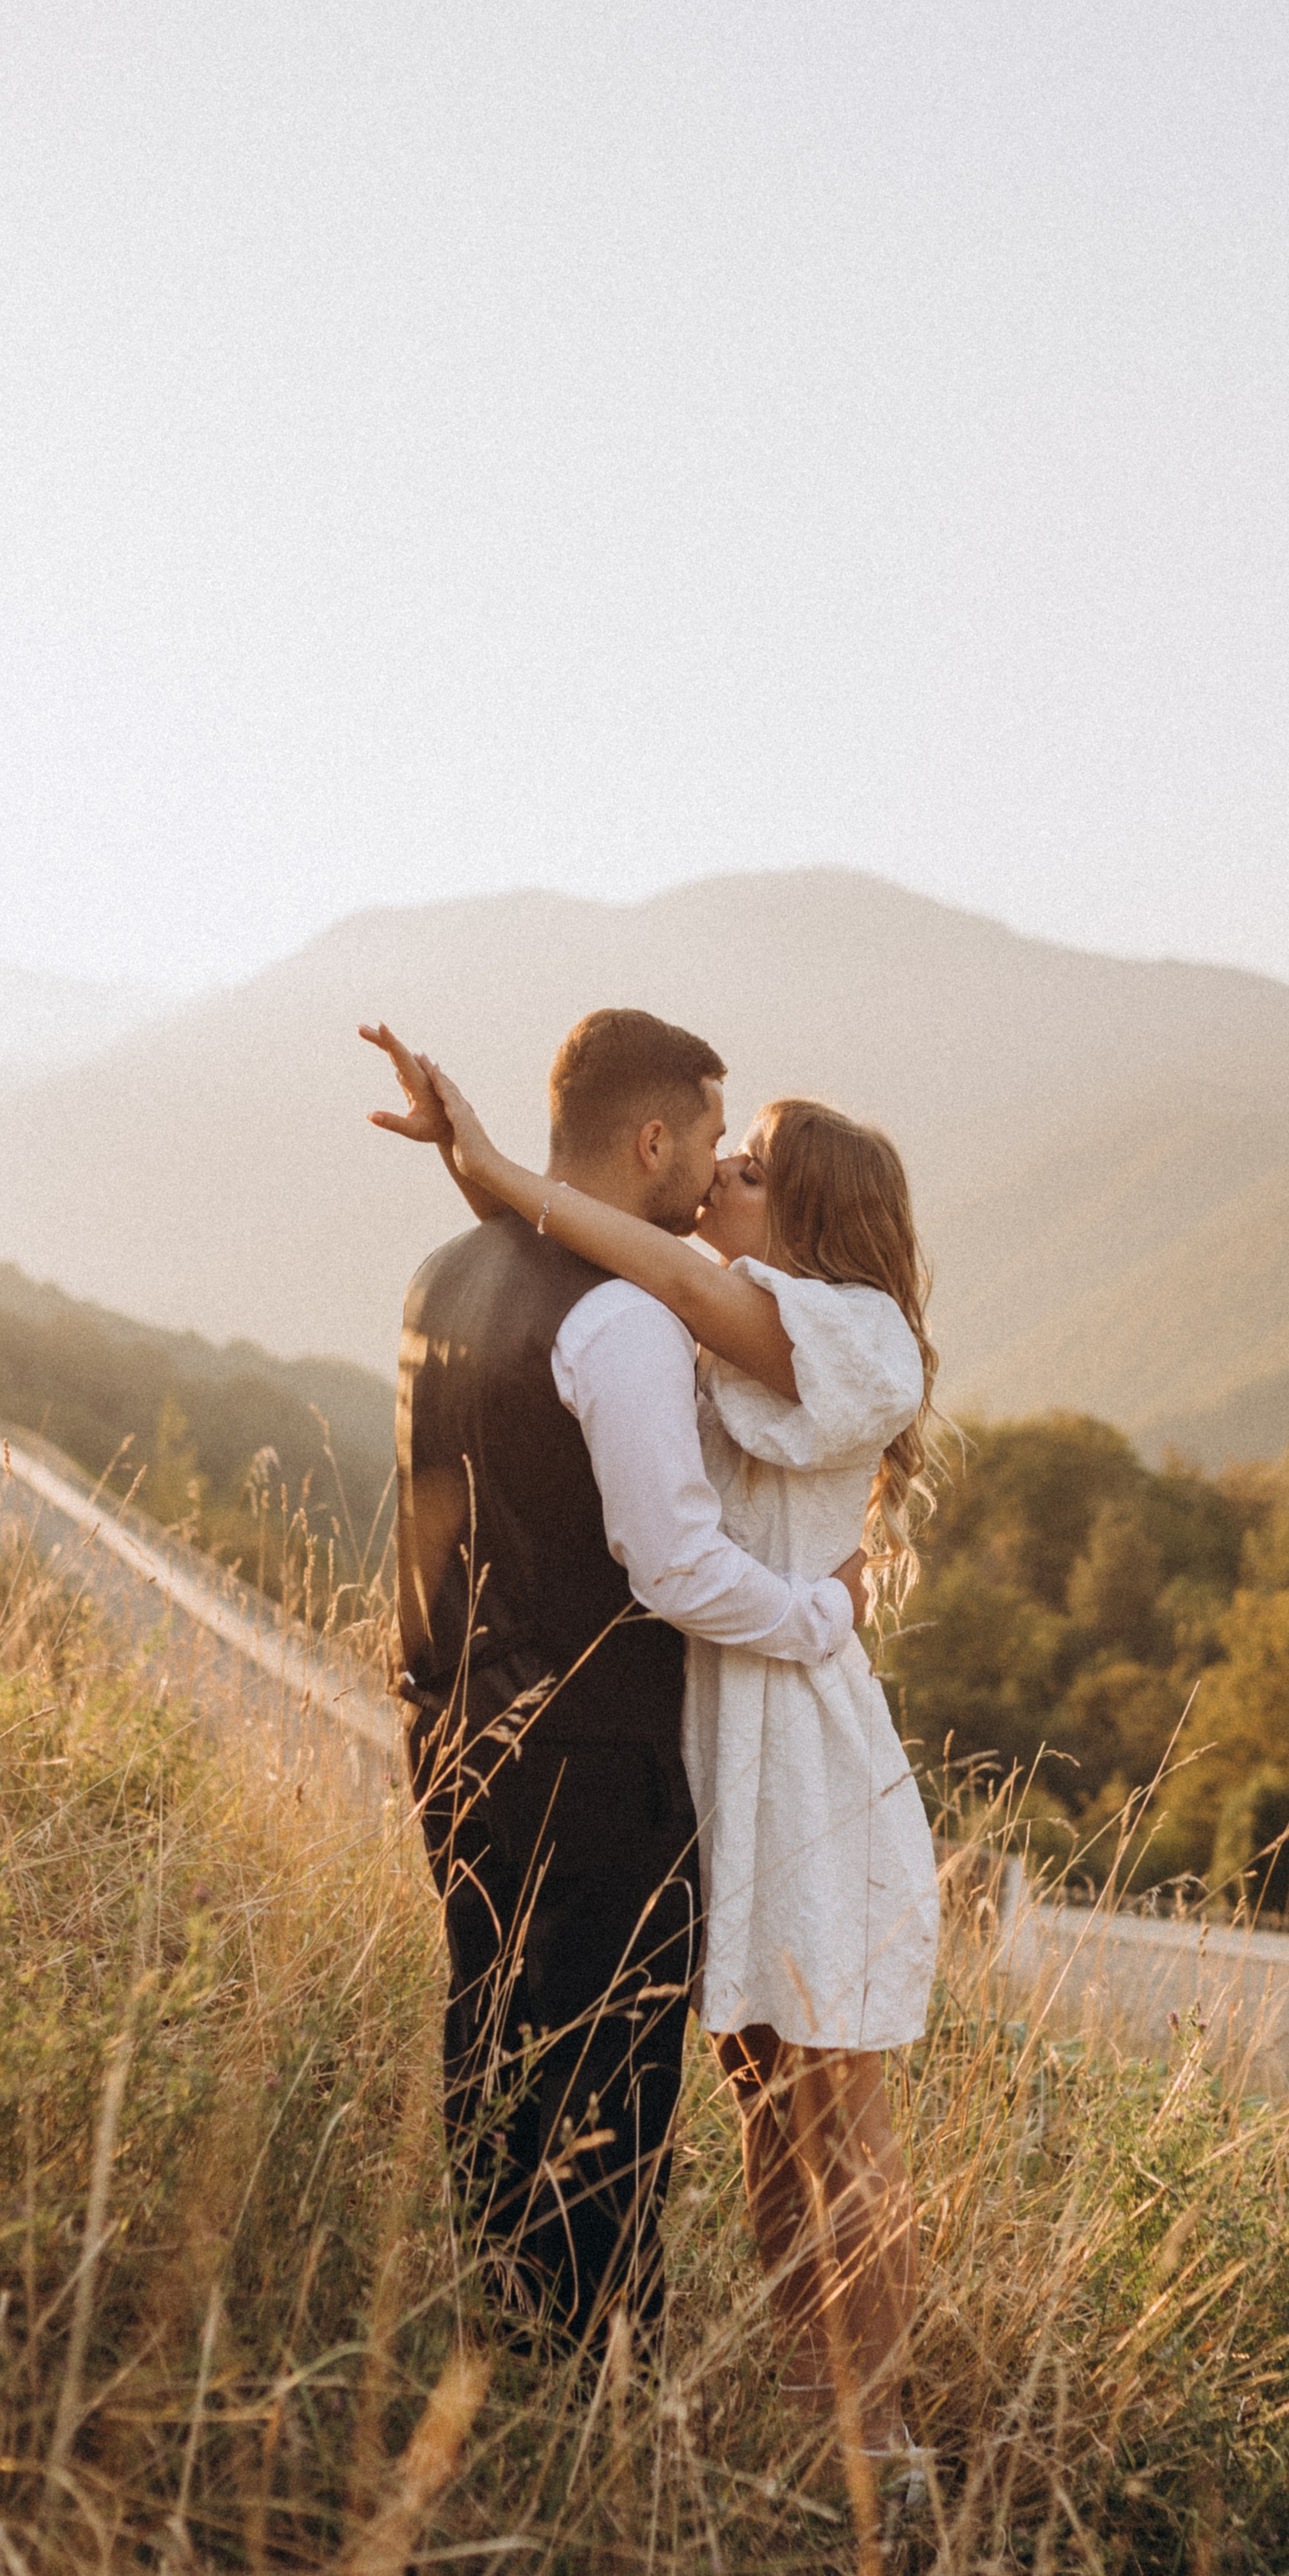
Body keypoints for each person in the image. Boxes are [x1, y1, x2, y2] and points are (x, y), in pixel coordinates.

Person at [366, 1023, 942, 2470]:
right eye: (719, 1151)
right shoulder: (699, 1303)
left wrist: (491, 1160)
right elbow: (561, 1308)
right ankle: (813, 2414)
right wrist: (483, 1175)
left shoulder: (849, 1335)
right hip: (710, 1739)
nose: (717, 1180)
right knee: (763, 2110)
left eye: (749, 1167)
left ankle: (881, 2433)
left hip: (796, 1744)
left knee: (834, 2114)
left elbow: (633, 1270)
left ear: (806, 1213)